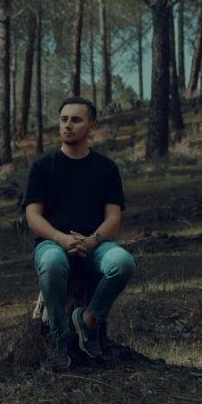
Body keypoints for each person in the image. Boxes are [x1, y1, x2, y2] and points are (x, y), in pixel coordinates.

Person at [21, 97, 136, 368]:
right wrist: (61, 239)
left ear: (91, 126)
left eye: (76, 119)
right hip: (52, 245)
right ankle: (58, 338)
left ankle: (88, 322)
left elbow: (113, 219)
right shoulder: (42, 166)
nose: (68, 125)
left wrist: (93, 240)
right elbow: (32, 217)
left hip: (95, 247)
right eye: (64, 119)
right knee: (50, 262)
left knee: (123, 263)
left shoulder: (106, 168)